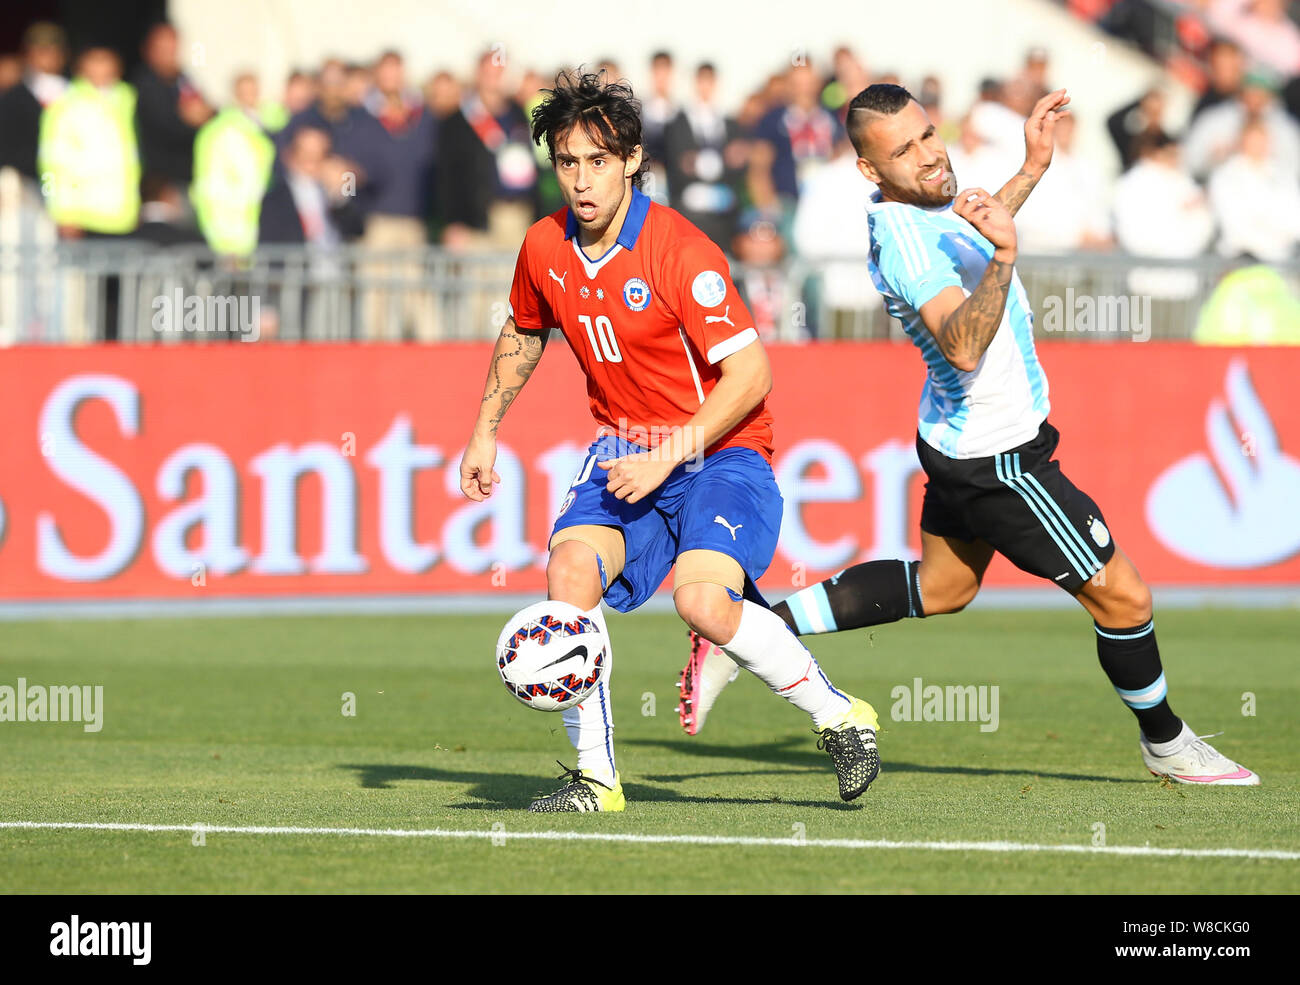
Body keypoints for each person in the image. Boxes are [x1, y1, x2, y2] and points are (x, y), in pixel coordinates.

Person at [681, 83, 1258, 788]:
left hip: (960, 440)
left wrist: (1032, 168)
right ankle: (1167, 742)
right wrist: (1007, 257)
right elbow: (960, 344)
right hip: (998, 457)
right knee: (1126, 596)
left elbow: (976, 231)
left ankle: (749, 627)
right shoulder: (902, 240)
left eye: (928, 134)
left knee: (944, 586)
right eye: (903, 150)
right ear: (870, 169)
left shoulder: (930, 208)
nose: (928, 155)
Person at [458, 70, 881, 813]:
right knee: (568, 575)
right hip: (626, 447)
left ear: (629, 160)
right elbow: (525, 331)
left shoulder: (679, 250)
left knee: (703, 604)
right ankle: (596, 779)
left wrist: (668, 452)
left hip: (722, 452)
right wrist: (484, 431)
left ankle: (841, 716)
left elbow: (752, 373)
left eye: (597, 160)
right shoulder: (542, 247)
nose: (582, 180)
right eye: (567, 162)